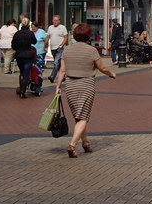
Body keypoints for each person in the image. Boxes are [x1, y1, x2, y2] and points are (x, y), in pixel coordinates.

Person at [55, 23, 116, 158]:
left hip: (70, 85)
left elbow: (62, 71)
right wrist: (111, 74)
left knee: (78, 116)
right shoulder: (91, 50)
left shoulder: (67, 50)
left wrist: (58, 86)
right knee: (83, 117)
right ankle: (72, 145)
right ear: (88, 36)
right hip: (86, 85)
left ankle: (85, 143)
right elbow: (102, 68)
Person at [11, 17, 37, 98]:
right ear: (28, 24)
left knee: (21, 72)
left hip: (19, 55)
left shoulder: (17, 33)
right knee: (26, 73)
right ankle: (22, 91)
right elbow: (34, 42)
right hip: (28, 55)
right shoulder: (30, 33)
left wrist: (18, 49)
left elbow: (13, 45)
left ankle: (21, 88)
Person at [45, 15, 68, 83]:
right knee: (59, 63)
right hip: (52, 48)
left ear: (59, 21)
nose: (54, 22)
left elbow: (66, 37)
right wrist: (45, 45)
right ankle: (63, 75)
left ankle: (52, 76)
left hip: (60, 48)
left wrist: (61, 45)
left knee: (56, 63)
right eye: (53, 20)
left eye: (56, 20)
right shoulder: (50, 27)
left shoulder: (62, 28)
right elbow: (48, 37)